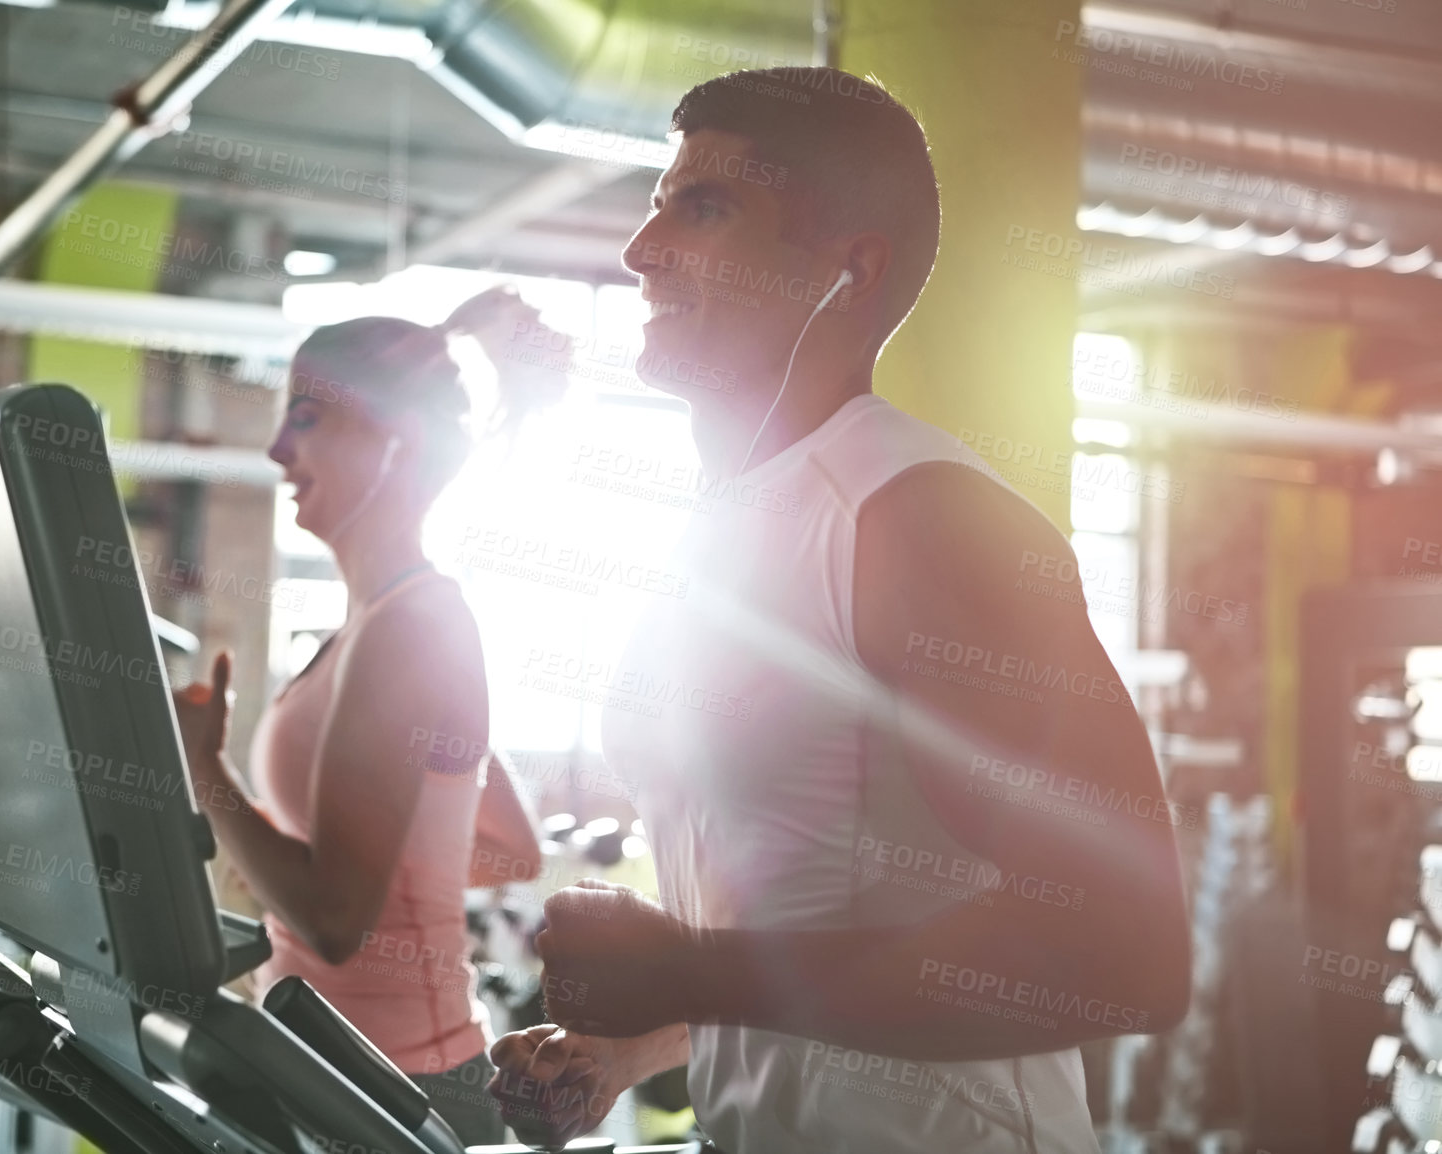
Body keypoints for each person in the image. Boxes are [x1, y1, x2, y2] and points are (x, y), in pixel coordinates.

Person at [487, 66, 1193, 1153]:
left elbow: (1123, 948)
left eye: (703, 207)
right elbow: (809, 925)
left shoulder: (921, 517)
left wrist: (686, 964)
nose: (641, 252)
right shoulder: (715, 533)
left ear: (846, 268)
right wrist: (631, 1046)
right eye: (654, 205)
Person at [172, 286, 556, 1146]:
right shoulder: (377, 629)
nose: (276, 450)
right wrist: (342, 869)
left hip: (401, 1090)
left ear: (396, 441)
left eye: (306, 417)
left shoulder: (411, 632)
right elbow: (505, 846)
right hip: (346, 1071)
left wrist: (206, 771)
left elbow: (335, 921)